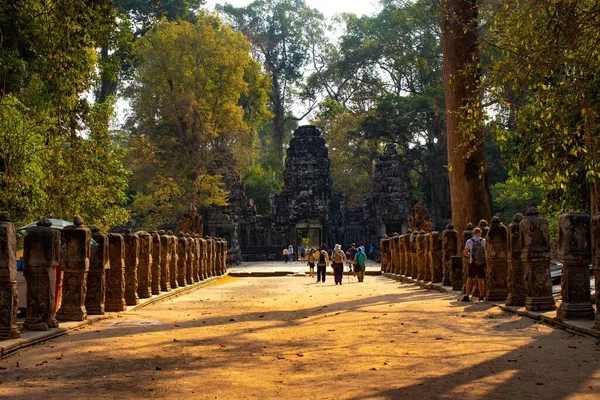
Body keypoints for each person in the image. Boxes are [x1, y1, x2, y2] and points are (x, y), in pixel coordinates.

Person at [461, 227, 486, 302]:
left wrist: (471, 256)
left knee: (469, 278)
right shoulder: (483, 241)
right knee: (480, 279)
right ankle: (481, 296)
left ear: (474, 233)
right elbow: (486, 251)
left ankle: (467, 295)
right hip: (481, 262)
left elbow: (465, 253)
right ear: (480, 233)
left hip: (472, 262)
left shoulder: (469, 241)